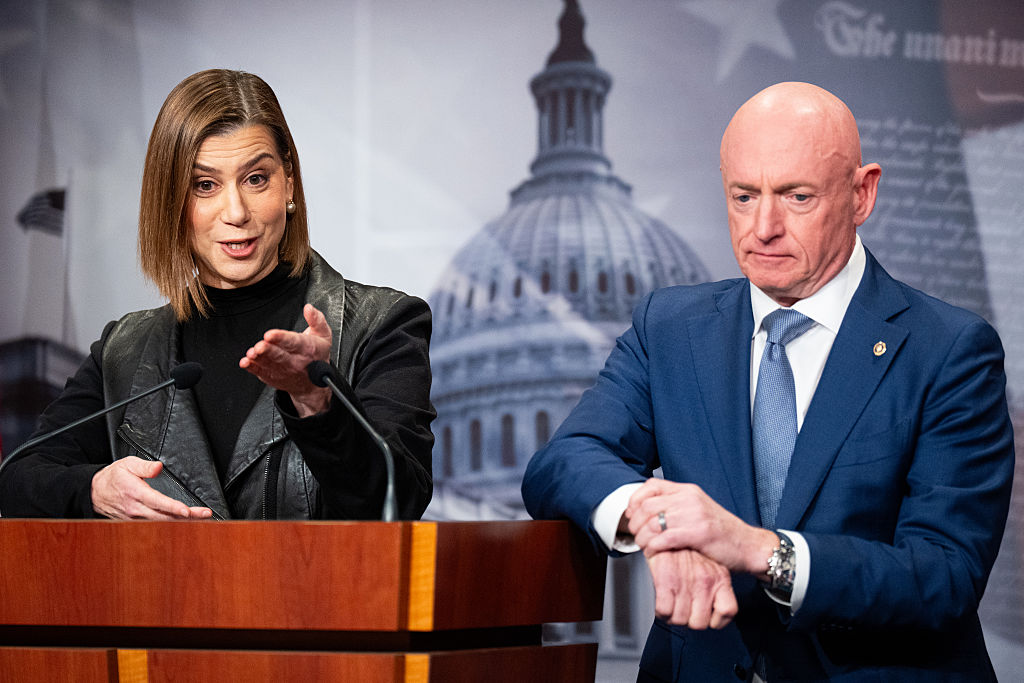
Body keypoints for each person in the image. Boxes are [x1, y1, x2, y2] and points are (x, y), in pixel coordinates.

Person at [522, 82, 1014, 681]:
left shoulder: (949, 349)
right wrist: (660, 525)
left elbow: (943, 576)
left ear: (863, 194)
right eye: (743, 195)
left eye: (797, 197)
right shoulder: (670, 327)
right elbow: (566, 460)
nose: (763, 228)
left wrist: (756, 550)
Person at [0, 69, 434, 521]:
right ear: (172, 202)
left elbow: (399, 502)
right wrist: (92, 490)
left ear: (288, 182)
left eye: (256, 179)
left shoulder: (383, 323)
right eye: (205, 185)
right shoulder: (125, 351)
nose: (236, 212)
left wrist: (314, 400)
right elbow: (16, 479)